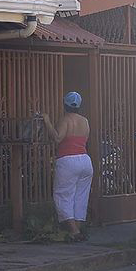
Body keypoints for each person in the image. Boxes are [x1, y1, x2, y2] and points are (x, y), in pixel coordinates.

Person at [42, 92, 93, 241]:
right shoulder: (85, 121)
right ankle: (76, 229)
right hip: (85, 159)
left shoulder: (65, 120)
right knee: (81, 195)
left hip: (68, 160)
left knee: (63, 194)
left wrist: (47, 122)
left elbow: (57, 138)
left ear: (64, 104)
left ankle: (74, 231)